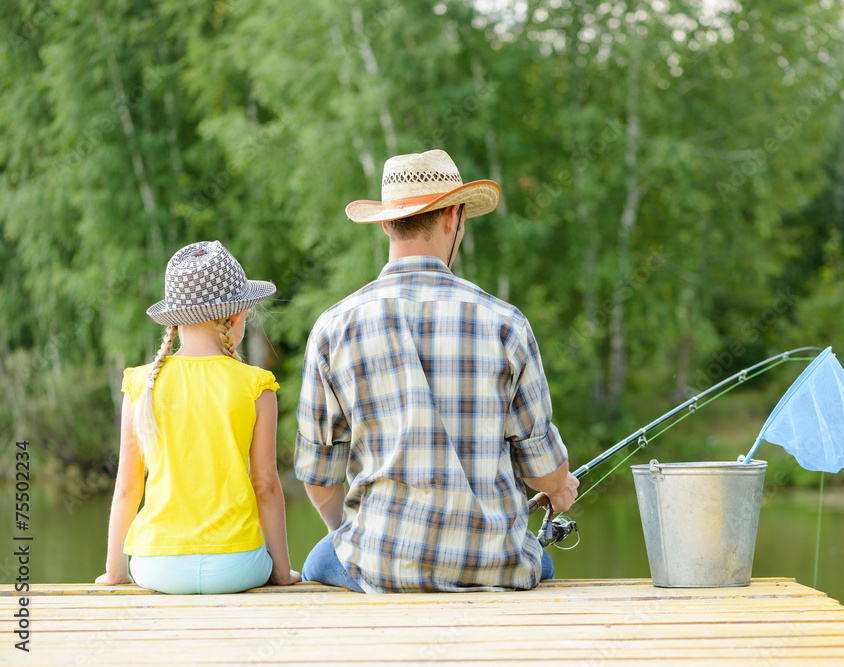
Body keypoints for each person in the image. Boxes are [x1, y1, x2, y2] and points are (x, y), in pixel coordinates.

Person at [295, 149, 579, 593]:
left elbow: (318, 477)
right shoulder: (506, 324)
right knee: (541, 563)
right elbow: (542, 473)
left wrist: (350, 535)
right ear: (453, 218)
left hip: (380, 564)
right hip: (495, 563)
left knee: (320, 557)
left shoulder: (334, 327)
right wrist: (560, 484)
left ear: (387, 222)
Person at [96, 241, 300, 594]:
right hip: (237, 566)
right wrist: (282, 571)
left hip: (156, 567)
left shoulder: (142, 384)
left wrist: (115, 572)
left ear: (175, 321)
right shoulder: (256, 386)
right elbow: (265, 486)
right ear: (235, 318)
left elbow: (128, 488)